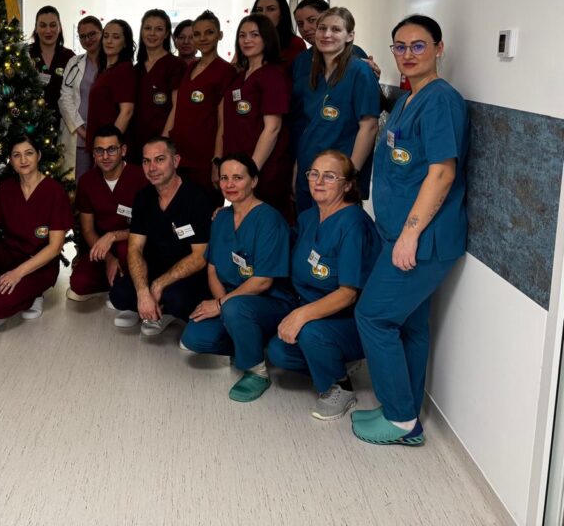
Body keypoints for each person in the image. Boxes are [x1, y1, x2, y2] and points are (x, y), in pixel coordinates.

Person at [352, 15, 468, 446]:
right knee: (410, 325)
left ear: (439, 48)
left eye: (418, 46)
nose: (408, 54)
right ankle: (404, 410)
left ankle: (401, 419)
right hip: (398, 233)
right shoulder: (407, 99)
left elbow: (442, 172)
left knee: (373, 316)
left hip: (422, 240)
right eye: (400, 46)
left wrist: (410, 234)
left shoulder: (441, 101)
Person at [266, 151, 380, 419]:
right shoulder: (308, 218)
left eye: (329, 176)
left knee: (309, 332)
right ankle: (333, 360)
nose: (318, 181)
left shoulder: (353, 224)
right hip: (314, 312)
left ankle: (340, 387)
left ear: (347, 185)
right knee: (279, 352)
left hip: (349, 321)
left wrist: (301, 315)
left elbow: (348, 294)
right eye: (314, 174)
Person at [180, 154, 295, 402]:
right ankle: (248, 341)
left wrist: (222, 305)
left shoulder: (269, 219)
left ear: (254, 181)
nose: (230, 184)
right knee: (193, 337)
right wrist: (224, 307)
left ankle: (256, 371)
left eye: (238, 178)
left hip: (272, 302)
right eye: (224, 178)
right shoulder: (221, 217)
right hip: (233, 301)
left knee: (235, 309)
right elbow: (212, 269)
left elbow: (263, 281)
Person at [0, 135, 73, 334]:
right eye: (16, 155)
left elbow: (55, 247)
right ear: (11, 161)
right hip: (10, 257)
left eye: (29, 153)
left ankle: (30, 297)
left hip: (39, 266)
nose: (23, 160)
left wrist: (17, 274)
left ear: (38, 155)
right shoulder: (6, 188)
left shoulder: (55, 192)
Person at [110, 137, 211, 336]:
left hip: (186, 275)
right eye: (146, 161)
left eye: (160, 159)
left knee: (177, 300)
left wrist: (158, 285)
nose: (152, 168)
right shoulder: (143, 197)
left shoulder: (197, 197)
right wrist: (142, 291)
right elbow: (135, 248)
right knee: (118, 294)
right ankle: (146, 305)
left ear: (176, 161)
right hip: (154, 267)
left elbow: (200, 257)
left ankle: (163, 312)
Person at [292, 8, 380, 213]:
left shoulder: (360, 71)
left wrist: (349, 176)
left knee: (335, 228)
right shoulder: (313, 73)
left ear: (350, 36)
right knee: (307, 228)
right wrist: (297, 167)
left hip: (339, 176)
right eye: (322, 28)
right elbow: (309, 127)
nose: (327, 34)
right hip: (309, 170)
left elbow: (369, 127)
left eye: (336, 29)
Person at [223, 14, 293, 220]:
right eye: (242, 35)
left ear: (267, 38)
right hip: (240, 166)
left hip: (264, 169)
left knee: (266, 222)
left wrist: (251, 170)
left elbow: (273, 128)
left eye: (254, 35)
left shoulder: (273, 75)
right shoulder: (241, 75)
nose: (247, 40)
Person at [68, 125, 147, 302]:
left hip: (134, 243)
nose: (105, 156)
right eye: (99, 150)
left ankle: (128, 286)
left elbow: (149, 226)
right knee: (79, 284)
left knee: (126, 251)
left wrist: (113, 236)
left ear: (123, 150)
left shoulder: (140, 177)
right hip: (102, 246)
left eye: (111, 150)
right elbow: (88, 230)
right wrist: (109, 259)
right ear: (93, 154)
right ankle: (115, 280)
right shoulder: (87, 181)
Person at [163, 11, 236, 196]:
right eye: (197, 34)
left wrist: (217, 161)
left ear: (220, 35)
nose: (202, 38)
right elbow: (177, 108)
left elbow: (224, 121)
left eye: (209, 33)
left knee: (203, 207)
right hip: (179, 154)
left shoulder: (225, 71)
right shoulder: (190, 68)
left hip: (204, 157)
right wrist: (163, 143)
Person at [130, 9, 186, 163]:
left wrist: (164, 140)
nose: (152, 33)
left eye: (159, 29)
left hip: (162, 140)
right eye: (148, 28)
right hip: (135, 141)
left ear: (167, 33)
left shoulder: (175, 65)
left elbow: (177, 106)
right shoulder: (136, 68)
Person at [59, 16, 102, 180]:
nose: (87, 40)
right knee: (78, 183)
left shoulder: (113, 63)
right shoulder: (74, 62)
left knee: (102, 182)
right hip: (78, 134)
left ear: (102, 32)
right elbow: (65, 99)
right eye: (83, 36)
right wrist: (82, 131)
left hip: (104, 135)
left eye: (92, 34)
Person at [85, 19, 136, 150]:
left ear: (125, 43)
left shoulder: (124, 69)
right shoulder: (104, 70)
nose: (109, 41)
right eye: (106, 36)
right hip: (99, 143)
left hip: (109, 148)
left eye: (116, 37)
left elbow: (127, 111)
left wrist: (110, 146)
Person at [29, 4, 75, 124]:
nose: (48, 31)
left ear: (60, 27)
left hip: (63, 124)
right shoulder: (26, 55)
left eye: (53, 25)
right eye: (43, 25)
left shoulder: (69, 57)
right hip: (31, 125)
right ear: (36, 28)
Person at [251, 0, 306, 70]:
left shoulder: (295, 43)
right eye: (259, 10)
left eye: (271, 9)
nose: (264, 14)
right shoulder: (248, 40)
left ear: (282, 14)